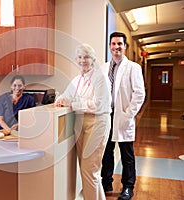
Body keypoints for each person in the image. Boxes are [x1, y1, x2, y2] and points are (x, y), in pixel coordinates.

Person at [55, 43, 111, 200]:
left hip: (97, 122)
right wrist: (60, 99)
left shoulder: (100, 77)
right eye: (79, 57)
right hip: (81, 123)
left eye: (86, 57)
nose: (82, 60)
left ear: (92, 59)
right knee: (89, 171)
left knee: (89, 169)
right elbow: (66, 95)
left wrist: (72, 104)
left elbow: (98, 105)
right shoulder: (77, 79)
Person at [101, 32, 146, 200]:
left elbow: (139, 94)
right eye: (113, 44)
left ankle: (128, 187)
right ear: (110, 46)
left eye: (120, 44)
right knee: (106, 151)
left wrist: (129, 114)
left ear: (125, 46)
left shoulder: (133, 67)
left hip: (123, 115)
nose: (116, 47)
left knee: (127, 154)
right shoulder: (103, 68)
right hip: (107, 115)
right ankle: (106, 182)